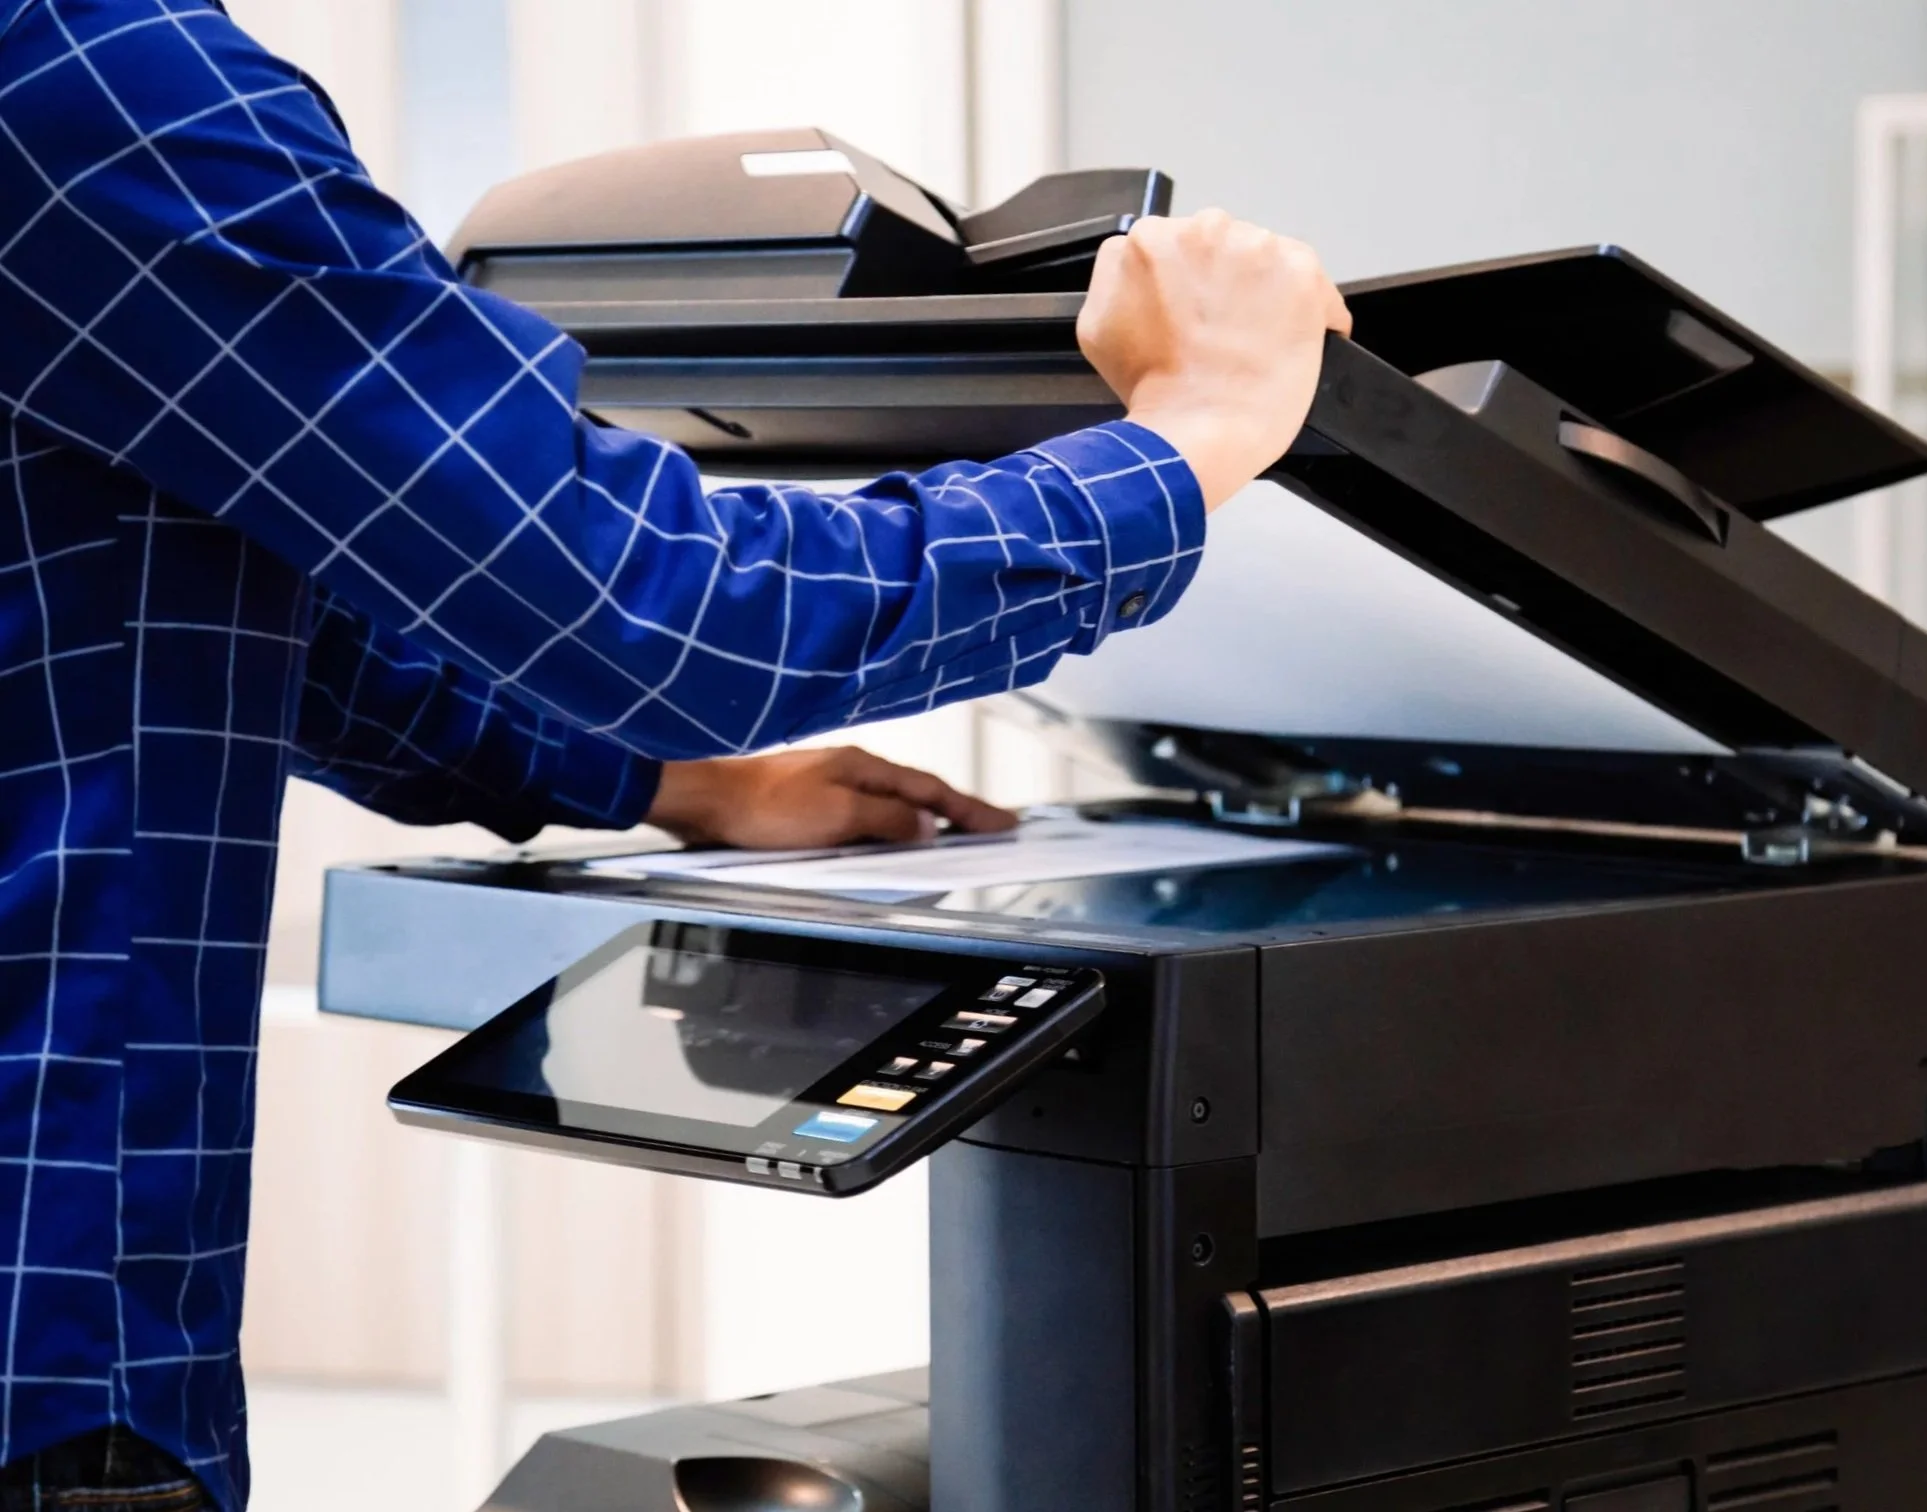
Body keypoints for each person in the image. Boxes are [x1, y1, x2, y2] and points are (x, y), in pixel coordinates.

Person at [0, 0, 1351, 1506]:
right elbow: (671, 608)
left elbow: (168, 609)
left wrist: (664, 783)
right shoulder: (84, 68)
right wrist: (1195, 432)